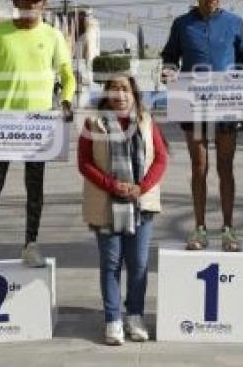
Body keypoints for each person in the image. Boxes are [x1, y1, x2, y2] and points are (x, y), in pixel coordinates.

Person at [0, 0, 75, 273]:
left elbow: (67, 74)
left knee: (34, 189)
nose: (31, 5)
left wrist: (65, 99)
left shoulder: (53, 36)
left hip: (38, 125)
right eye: (26, 0)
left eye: (37, 0)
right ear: (16, 1)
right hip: (1, 123)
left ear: (44, 3)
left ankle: (31, 245)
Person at [160, 0, 243, 252]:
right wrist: (169, 71)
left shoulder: (235, 23)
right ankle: (199, 229)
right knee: (199, 167)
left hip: (226, 106)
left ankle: (228, 229)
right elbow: (169, 58)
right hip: (194, 105)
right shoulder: (182, 24)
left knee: (226, 167)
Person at [78, 74, 168, 345]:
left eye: (125, 89)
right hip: (107, 204)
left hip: (141, 204)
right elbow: (84, 162)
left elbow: (161, 159)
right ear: (106, 94)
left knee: (139, 265)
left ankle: (135, 316)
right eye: (114, 89)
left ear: (134, 94)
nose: (120, 94)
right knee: (111, 264)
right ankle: (113, 320)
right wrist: (112, 185)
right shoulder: (92, 123)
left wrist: (141, 187)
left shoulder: (146, 121)